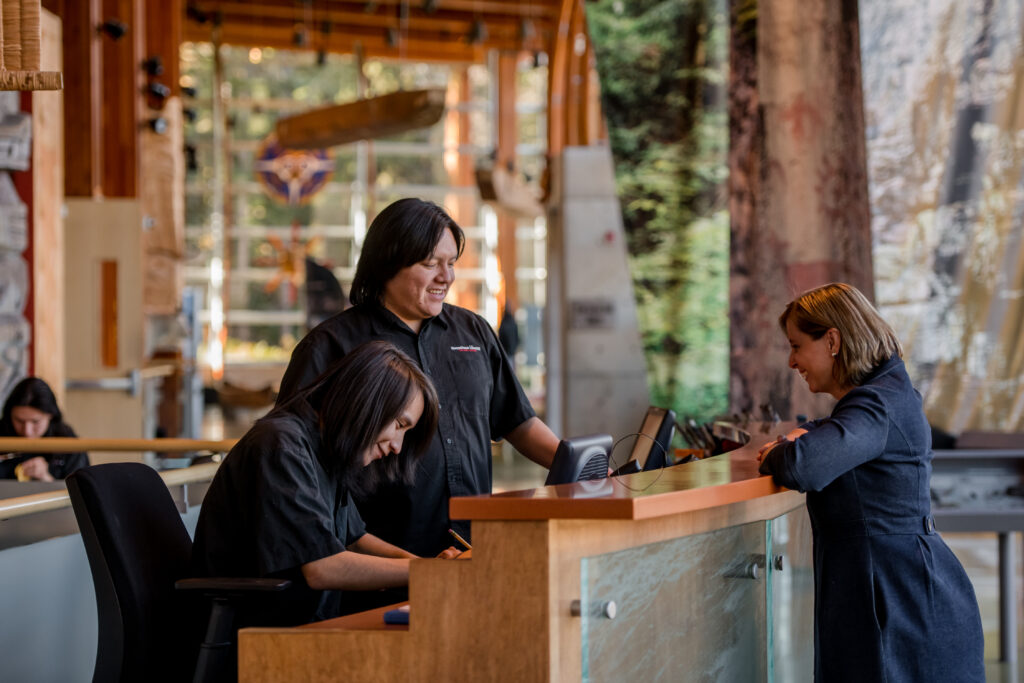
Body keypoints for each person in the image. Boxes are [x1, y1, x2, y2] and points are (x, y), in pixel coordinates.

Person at [276, 198, 560, 558]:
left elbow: (517, 421)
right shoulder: (330, 345)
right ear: (388, 263)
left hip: (472, 547)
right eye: (431, 264)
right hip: (376, 555)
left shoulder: (472, 332)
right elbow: (292, 456)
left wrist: (582, 466)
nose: (447, 276)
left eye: (451, 263)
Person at [756, 283, 984, 682]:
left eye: (796, 346)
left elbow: (802, 467)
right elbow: (833, 431)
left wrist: (777, 452)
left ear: (832, 340)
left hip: (896, 599)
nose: (792, 361)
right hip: (897, 590)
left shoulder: (877, 404)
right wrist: (805, 432)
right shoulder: (886, 395)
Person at [192, 341, 460, 626]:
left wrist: (428, 568)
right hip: (255, 639)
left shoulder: (325, 447)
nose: (397, 446)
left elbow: (354, 540)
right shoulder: (280, 446)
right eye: (399, 425)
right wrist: (428, 573)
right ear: (366, 401)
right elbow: (322, 567)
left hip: (301, 624)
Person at [0, 377, 88, 481]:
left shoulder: (69, 444)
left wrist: (46, 478)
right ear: (9, 415)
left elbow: (81, 495)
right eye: (19, 421)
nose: (27, 431)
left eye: (35, 422)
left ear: (50, 415)